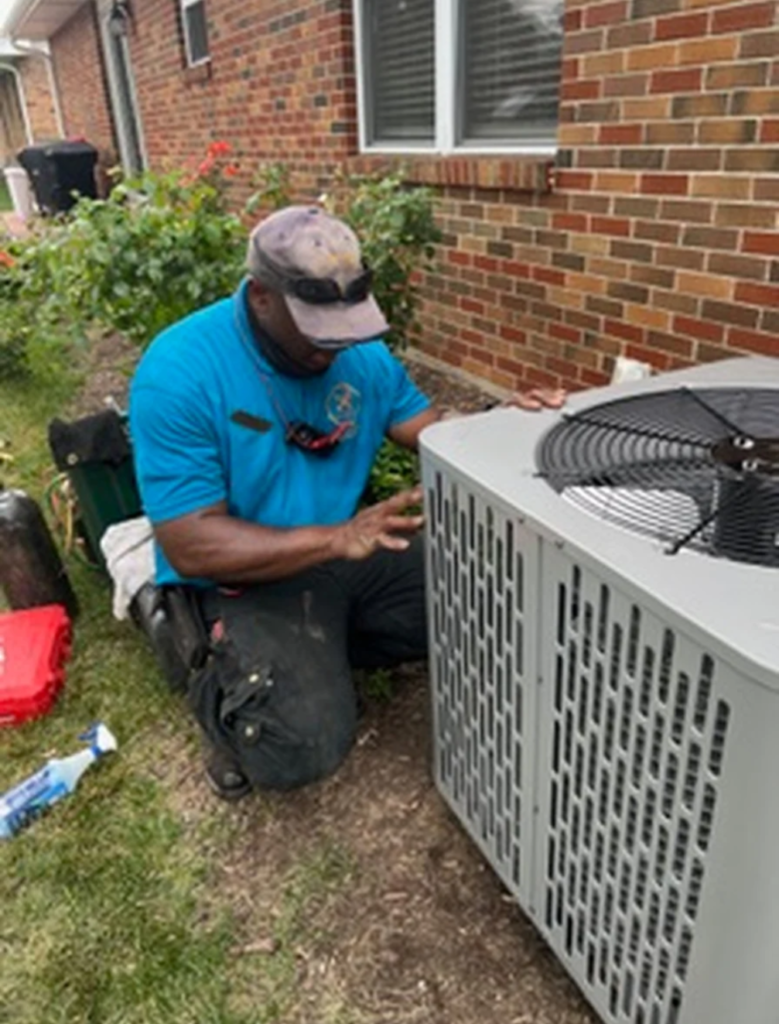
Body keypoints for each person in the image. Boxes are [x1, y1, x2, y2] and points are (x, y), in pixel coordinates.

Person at [129, 205, 564, 800]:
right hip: (241, 578)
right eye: (316, 326)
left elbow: (431, 432)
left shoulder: (360, 357)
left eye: (346, 324)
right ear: (261, 296)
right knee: (299, 747)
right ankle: (217, 685)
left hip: (341, 551)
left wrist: (498, 422)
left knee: (490, 596)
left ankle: (320, 651)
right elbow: (192, 543)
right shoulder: (180, 371)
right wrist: (336, 538)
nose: (334, 346)